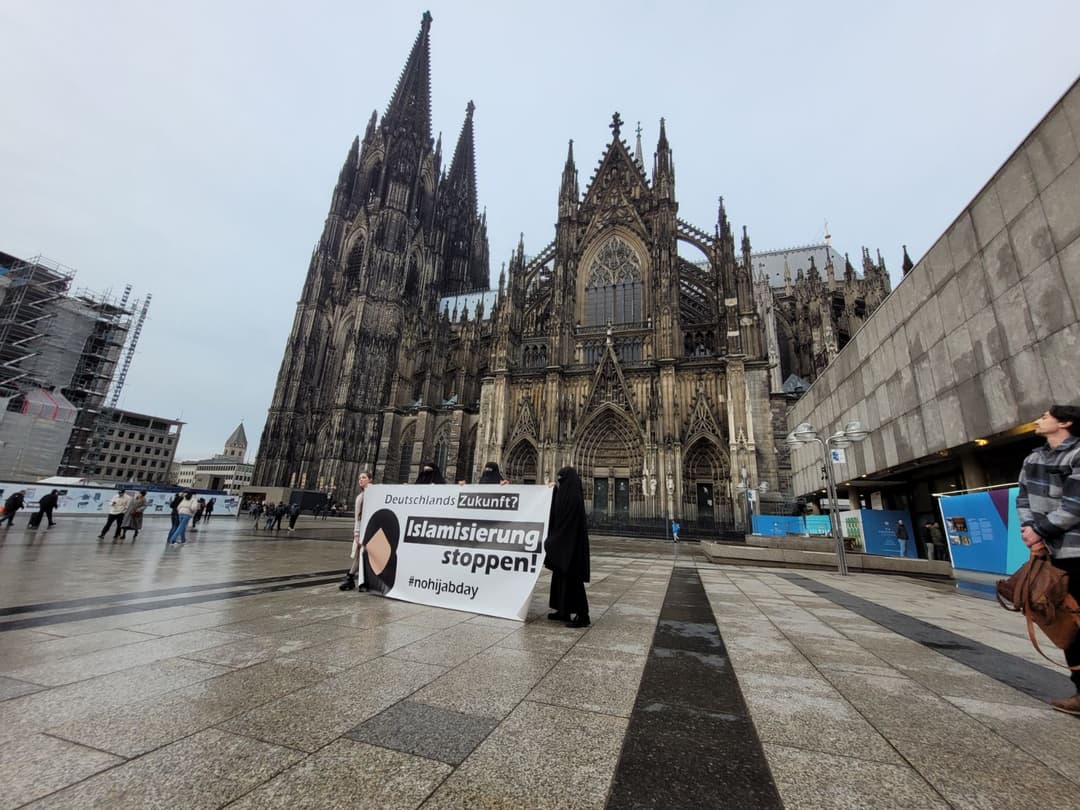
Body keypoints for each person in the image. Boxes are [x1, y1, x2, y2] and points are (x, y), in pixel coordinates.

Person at [1017, 405, 1080, 716]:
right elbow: (1023, 498)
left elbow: (1075, 505)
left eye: (1045, 416)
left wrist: (1039, 530)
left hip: (1076, 549)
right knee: (1066, 622)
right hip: (1051, 552)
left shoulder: (1077, 454)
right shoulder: (1033, 458)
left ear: (1065, 422)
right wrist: (1030, 532)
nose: (1039, 420)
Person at [544, 466, 591, 628]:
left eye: (560, 479)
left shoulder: (574, 498)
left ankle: (583, 616)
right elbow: (556, 510)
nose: (559, 481)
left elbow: (567, 522)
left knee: (573, 581)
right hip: (563, 546)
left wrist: (554, 540)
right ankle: (562, 610)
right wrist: (552, 490)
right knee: (559, 579)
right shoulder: (567, 494)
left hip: (572, 548)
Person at [339, 471, 372, 592]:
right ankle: (352, 578)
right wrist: (357, 534)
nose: (361, 480)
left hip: (374, 530)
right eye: (359, 478)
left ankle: (353, 579)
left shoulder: (376, 494)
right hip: (363, 531)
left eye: (364, 478)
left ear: (370, 480)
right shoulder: (360, 498)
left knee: (367, 556)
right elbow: (357, 518)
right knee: (360, 555)